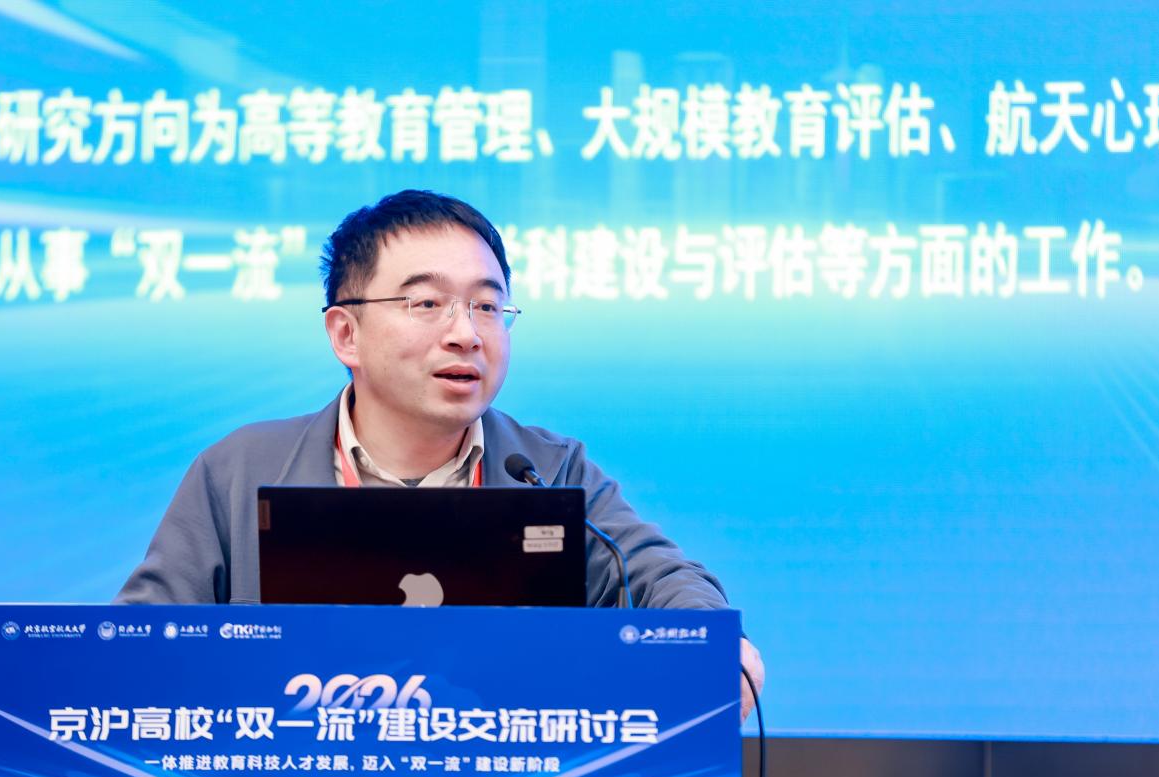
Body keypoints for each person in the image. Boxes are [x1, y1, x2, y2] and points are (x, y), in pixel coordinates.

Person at [115, 189, 764, 716]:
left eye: (487, 306)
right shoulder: (238, 471)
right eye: (427, 303)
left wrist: (711, 643)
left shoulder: (547, 472)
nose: (466, 334)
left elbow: (661, 577)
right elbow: (134, 652)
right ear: (345, 333)